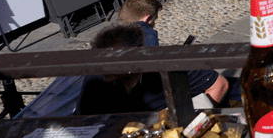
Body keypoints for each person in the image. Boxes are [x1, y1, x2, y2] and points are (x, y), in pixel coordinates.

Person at [76, 24, 228, 115]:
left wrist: (195, 125)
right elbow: (83, 118)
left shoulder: (170, 65)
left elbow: (219, 85)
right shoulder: (95, 77)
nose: (103, 68)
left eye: (111, 63)